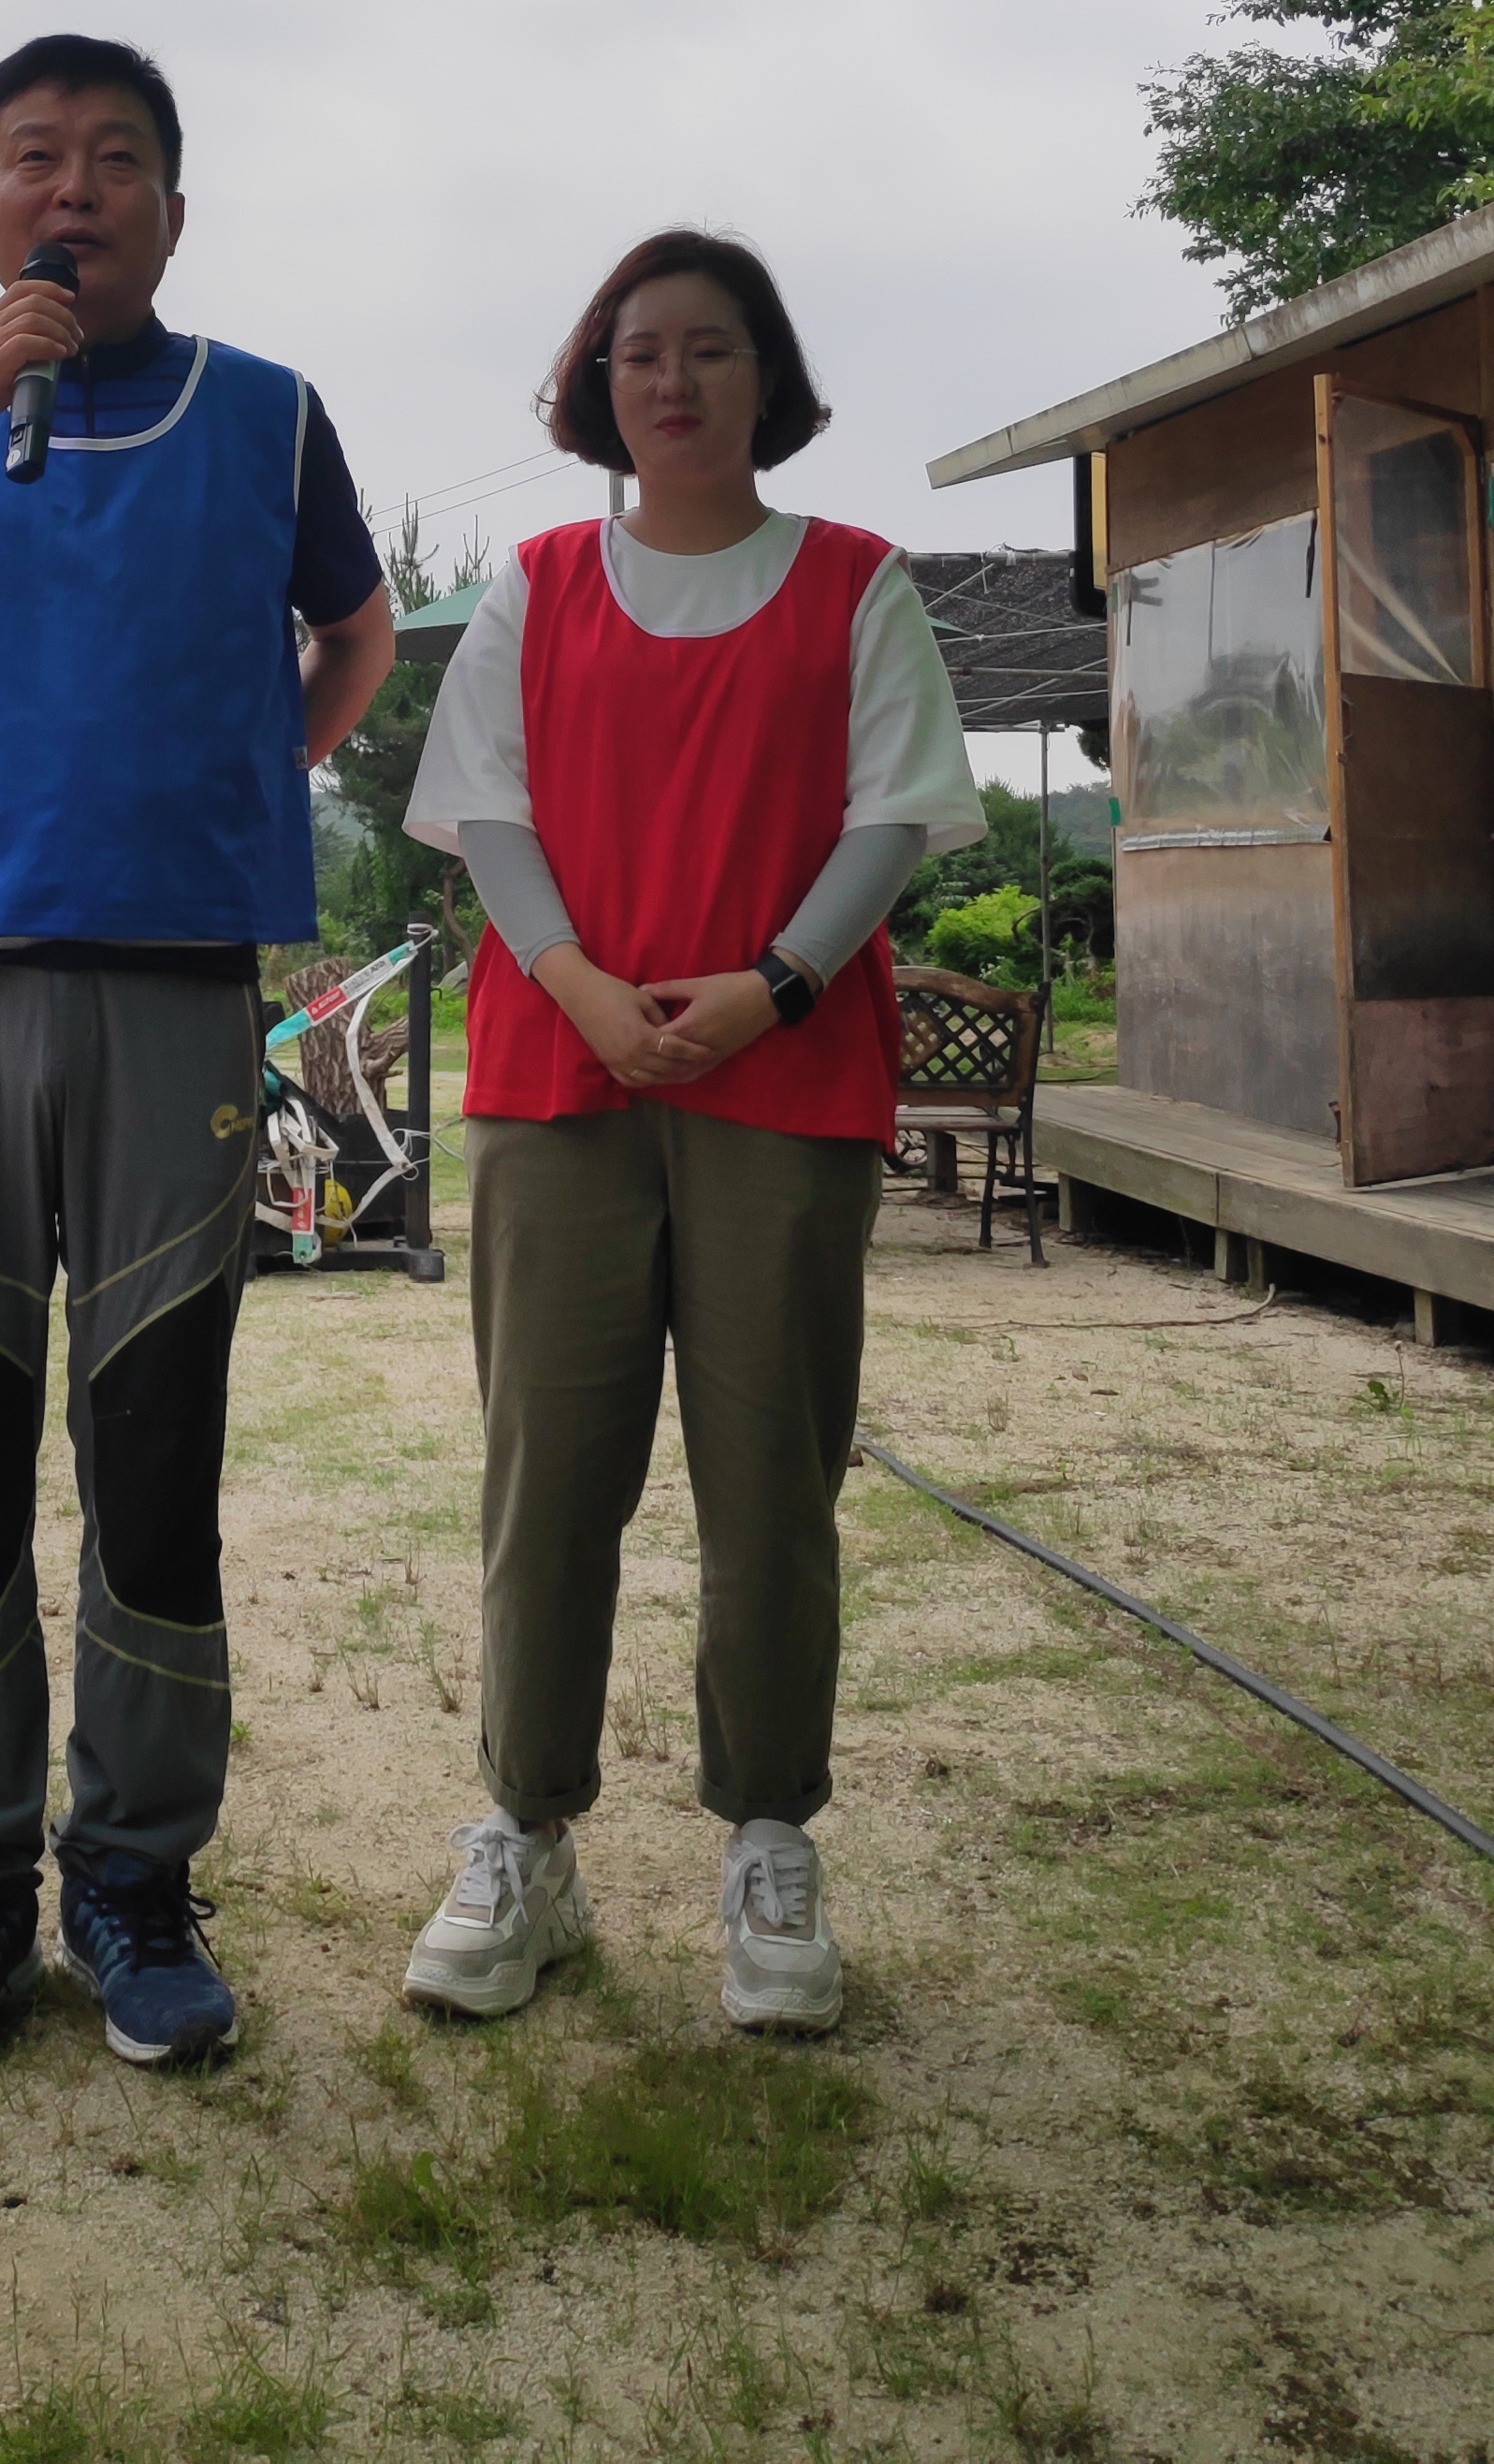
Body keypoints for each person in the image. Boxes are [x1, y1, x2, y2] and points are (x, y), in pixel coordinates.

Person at [0, 35, 391, 2086]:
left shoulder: (267, 416)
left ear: (174, 214)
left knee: (154, 1450)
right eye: (35, 159)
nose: (75, 192)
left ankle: (136, 1880)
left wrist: (253, 777)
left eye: (118, 160)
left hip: (171, 990)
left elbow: (358, 632)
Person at [399, 229, 980, 2033]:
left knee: (772, 1483)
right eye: (639, 350)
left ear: (767, 379)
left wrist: (774, 985)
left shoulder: (859, 586)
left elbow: (892, 818)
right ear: (599, 385)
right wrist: (579, 983)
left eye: (711, 348)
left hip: (783, 1082)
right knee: (547, 1477)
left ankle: (771, 1840)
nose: (672, 379)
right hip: (558, 1076)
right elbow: (488, 813)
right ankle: (526, 1835)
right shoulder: (535, 586)